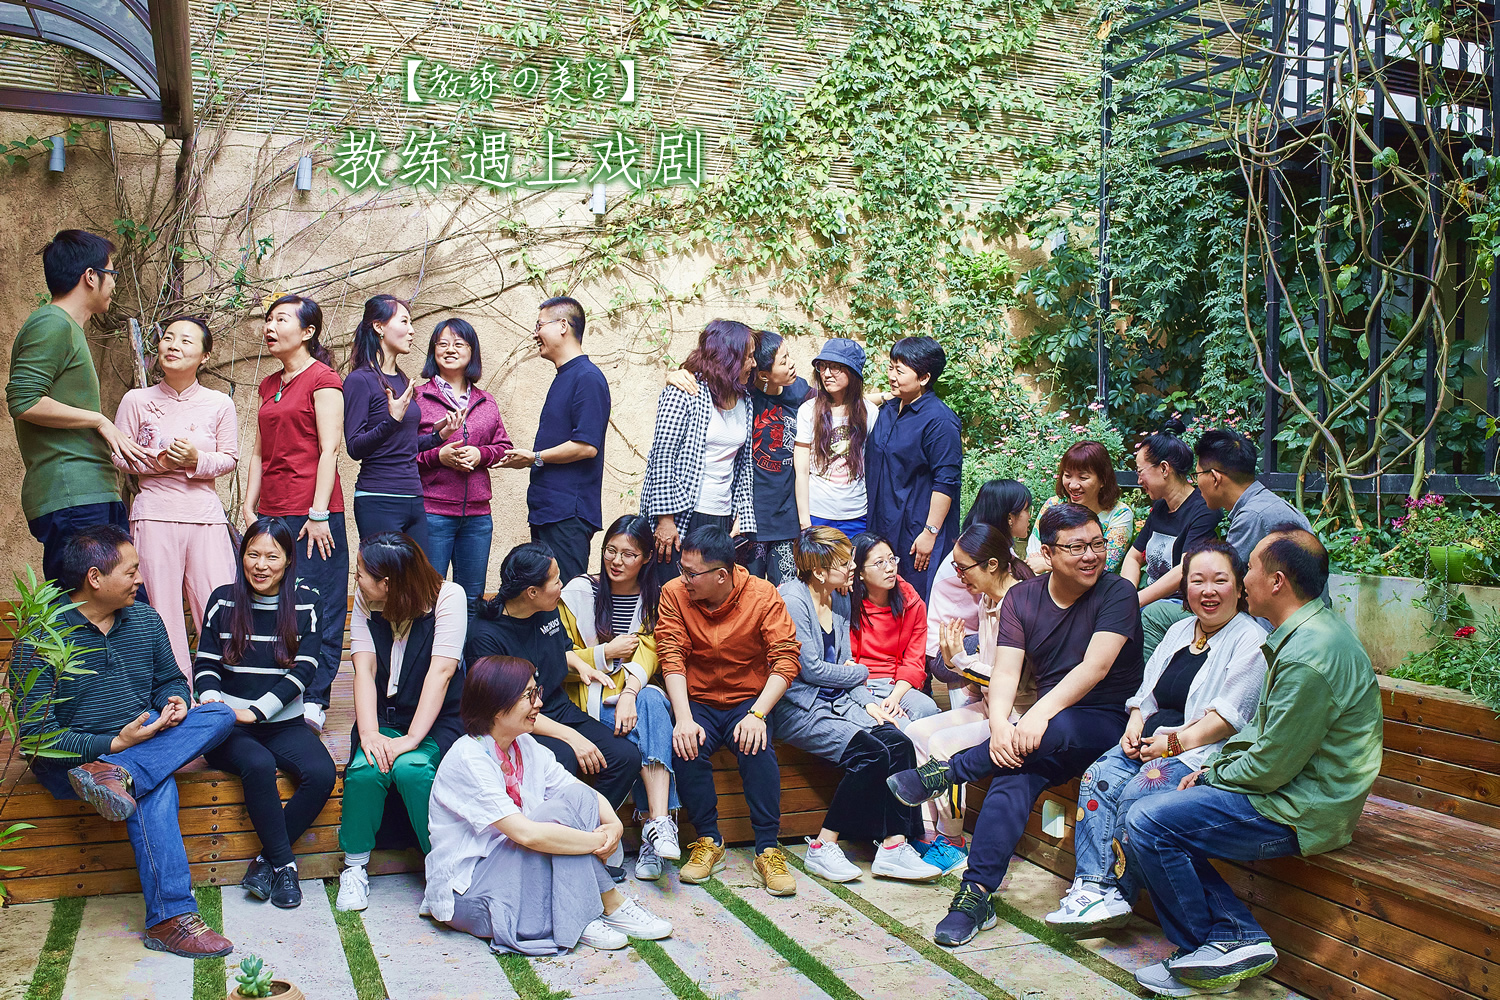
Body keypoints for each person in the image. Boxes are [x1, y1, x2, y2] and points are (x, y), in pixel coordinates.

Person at [1122, 528, 1382, 996]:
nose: (1244, 580)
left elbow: (1270, 766)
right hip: (1288, 791)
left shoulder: (1310, 654)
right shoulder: (1303, 634)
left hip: (1300, 810)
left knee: (1149, 820)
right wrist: (1210, 771)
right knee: (1155, 810)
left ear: (1277, 582)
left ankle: (1219, 942)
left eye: (1252, 569)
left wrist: (1212, 773)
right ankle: (1224, 938)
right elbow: (1264, 737)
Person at [886, 502, 1144, 947]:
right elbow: (1005, 673)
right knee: (1012, 772)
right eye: (1076, 547)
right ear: (1048, 551)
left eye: (1097, 544)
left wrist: (1035, 716)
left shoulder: (1116, 592)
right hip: (1044, 729)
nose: (1091, 555)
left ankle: (948, 771)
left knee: (1049, 731)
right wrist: (1001, 726)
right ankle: (975, 895)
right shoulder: (1023, 598)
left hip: (1105, 721)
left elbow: (1094, 668)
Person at [18, 525, 236, 958]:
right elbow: (37, 739)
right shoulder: (41, 638)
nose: (140, 578)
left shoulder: (146, 620)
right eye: (131, 571)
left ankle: (120, 773)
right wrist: (113, 744)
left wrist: (175, 700)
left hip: (140, 744)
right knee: (156, 784)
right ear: (95, 578)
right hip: (75, 764)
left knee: (220, 715)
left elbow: (170, 679)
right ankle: (171, 918)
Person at [1043, 539, 1268, 936]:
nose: (1208, 591)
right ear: (1185, 587)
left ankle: (1117, 893)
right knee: (1099, 776)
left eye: (1220, 580)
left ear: (1239, 586)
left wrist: (1173, 744)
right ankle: (1091, 887)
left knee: (1137, 793)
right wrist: (1134, 723)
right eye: (1197, 581)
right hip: (1148, 744)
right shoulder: (1179, 630)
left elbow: (1228, 719)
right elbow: (1146, 694)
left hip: (1197, 754)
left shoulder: (1250, 639)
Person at [423, 656, 673, 954]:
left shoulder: (524, 745)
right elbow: (527, 834)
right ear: (497, 706)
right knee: (554, 815)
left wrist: (614, 825)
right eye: (529, 695)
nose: (539, 703)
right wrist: (596, 841)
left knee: (576, 799)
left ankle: (588, 909)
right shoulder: (468, 757)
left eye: (537, 692)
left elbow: (581, 793)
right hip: (471, 893)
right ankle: (606, 905)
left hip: (519, 872)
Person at [774, 527, 943, 883]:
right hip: (800, 708)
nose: (852, 566)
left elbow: (844, 668)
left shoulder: (838, 598)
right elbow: (812, 669)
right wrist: (861, 673)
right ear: (819, 571)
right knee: (872, 753)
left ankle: (895, 846)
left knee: (898, 741)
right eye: (844, 562)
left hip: (837, 700)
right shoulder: (792, 599)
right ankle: (823, 845)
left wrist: (868, 703)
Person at [465, 542, 642, 880]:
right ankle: (556, 854)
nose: (562, 585)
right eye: (556, 580)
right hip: (517, 723)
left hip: (558, 707)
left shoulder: (547, 609)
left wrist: (582, 666)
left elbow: (561, 649)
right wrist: (572, 737)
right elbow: (506, 707)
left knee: (625, 757)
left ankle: (586, 844)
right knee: (565, 758)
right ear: (531, 592)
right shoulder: (486, 635)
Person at [195, 518, 336, 910]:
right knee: (257, 764)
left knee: (322, 773)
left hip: (280, 721)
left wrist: (256, 713)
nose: (261, 565)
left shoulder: (306, 602)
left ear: (288, 560)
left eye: (272, 556)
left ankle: (265, 862)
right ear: (242, 556)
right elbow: (205, 664)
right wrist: (216, 705)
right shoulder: (223, 600)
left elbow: (304, 671)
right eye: (252, 554)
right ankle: (286, 866)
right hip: (228, 726)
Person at [657, 525, 801, 896]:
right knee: (686, 746)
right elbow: (671, 654)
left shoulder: (762, 594)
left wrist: (758, 715)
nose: (683, 578)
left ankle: (767, 848)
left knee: (757, 746)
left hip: (748, 699)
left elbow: (785, 657)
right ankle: (709, 840)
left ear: (721, 575)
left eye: (691, 573)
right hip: (698, 699)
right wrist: (683, 718)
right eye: (682, 569)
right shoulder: (674, 593)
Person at [9, 230, 150, 587]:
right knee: (84, 610)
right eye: (111, 274)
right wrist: (99, 420)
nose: (114, 284)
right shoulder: (52, 323)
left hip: (90, 493)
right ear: (90, 276)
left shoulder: (67, 328)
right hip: (73, 495)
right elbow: (23, 399)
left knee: (121, 604)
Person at [337, 532, 467, 912]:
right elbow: (364, 669)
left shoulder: (448, 597)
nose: (356, 579)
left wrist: (411, 739)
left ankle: (442, 868)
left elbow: (441, 673)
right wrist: (369, 733)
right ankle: (354, 867)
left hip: (436, 717)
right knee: (365, 769)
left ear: (388, 583)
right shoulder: (365, 598)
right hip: (382, 715)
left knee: (413, 769)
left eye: (361, 574)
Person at [240, 293, 347, 733]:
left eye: (280, 319)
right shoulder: (269, 384)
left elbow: (330, 448)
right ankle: (275, 692)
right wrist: (248, 506)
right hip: (271, 514)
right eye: (268, 319)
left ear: (308, 331)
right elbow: (259, 452)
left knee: (320, 602)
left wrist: (318, 513)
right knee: (273, 601)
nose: (270, 327)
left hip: (313, 514)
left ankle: (315, 697)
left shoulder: (324, 378)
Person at [112, 315, 238, 680]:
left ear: (205, 356)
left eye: (185, 340)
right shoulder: (137, 399)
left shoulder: (219, 403)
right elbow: (119, 456)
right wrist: (161, 461)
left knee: (220, 604)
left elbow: (230, 458)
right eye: (168, 338)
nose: (173, 345)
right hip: (154, 515)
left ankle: (226, 686)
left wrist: (196, 460)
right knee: (161, 611)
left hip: (205, 516)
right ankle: (176, 690)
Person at [557, 515, 681, 879]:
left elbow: (652, 649)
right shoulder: (579, 593)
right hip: (587, 698)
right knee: (652, 726)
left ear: (646, 558)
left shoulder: (655, 597)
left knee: (651, 702)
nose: (617, 561)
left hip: (633, 695)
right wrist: (604, 653)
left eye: (629, 554)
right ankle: (658, 827)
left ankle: (655, 827)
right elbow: (558, 658)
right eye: (610, 550)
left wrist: (629, 692)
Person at [906, 520, 1036, 869]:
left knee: (942, 745)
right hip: (989, 705)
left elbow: (1011, 681)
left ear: (992, 565)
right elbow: (986, 672)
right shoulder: (987, 600)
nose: (959, 576)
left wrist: (961, 662)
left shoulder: (1020, 602)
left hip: (1019, 713)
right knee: (916, 731)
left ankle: (952, 839)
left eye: (963, 568)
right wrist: (961, 666)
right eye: (955, 567)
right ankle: (928, 832)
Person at [498, 297, 611, 585]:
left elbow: (587, 446)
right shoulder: (564, 376)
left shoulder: (587, 377)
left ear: (563, 326)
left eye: (539, 325)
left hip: (567, 514)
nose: (535, 334)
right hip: (547, 511)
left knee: (566, 597)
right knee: (545, 599)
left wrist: (535, 457)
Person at [640, 320, 759, 582]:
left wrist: (742, 516)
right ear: (729, 358)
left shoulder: (745, 401)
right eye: (748, 357)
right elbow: (662, 458)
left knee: (712, 594)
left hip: (722, 515)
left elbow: (743, 467)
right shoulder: (685, 392)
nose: (753, 364)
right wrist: (665, 519)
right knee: (674, 589)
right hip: (683, 512)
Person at [416, 317, 512, 603]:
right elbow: (403, 453)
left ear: (472, 351)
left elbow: (504, 447)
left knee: (472, 599)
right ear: (433, 351)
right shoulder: (418, 398)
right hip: (432, 512)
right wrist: (438, 456)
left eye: (459, 344)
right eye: (442, 343)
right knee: (429, 596)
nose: (450, 349)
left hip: (478, 517)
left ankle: (469, 638)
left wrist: (481, 454)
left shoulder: (486, 401)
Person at [344, 294, 449, 554]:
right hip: (378, 499)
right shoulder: (360, 380)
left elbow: (402, 444)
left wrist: (438, 436)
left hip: (413, 497)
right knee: (382, 577)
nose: (412, 331)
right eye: (404, 322)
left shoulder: (402, 380)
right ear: (379, 327)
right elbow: (354, 447)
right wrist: (391, 421)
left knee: (419, 577)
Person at [865, 336, 962, 600]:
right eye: (890, 367)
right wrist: (886, 395)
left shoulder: (940, 421)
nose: (891, 376)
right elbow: (856, 402)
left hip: (916, 531)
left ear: (924, 378)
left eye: (900, 371)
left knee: (913, 600)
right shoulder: (889, 409)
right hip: (882, 523)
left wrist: (930, 533)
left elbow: (946, 482)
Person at [1120, 421, 1223, 660]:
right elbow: (1134, 556)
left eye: (1140, 472)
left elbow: (1185, 569)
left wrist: (1133, 602)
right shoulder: (1160, 507)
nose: (1138, 480)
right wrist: (1125, 594)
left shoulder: (1203, 510)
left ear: (1164, 468)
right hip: (1148, 600)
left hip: (1182, 605)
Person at [848, 533, 940, 724]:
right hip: (856, 684)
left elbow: (914, 660)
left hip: (895, 683)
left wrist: (895, 697)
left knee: (927, 709)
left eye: (892, 559)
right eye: (879, 563)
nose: (890, 568)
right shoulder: (845, 601)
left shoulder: (912, 603)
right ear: (859, 572)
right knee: (900, 725)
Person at [795, 338, 880, 538]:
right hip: (818, 513)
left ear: (853, 371)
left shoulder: (870, 412)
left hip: (857, 513)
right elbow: (801, 471)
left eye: (835, 367)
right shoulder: (808, 410)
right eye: (822, 366)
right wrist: (805, 521)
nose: (826, 374)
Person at [1193, 428, 1312, 563]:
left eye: (1197, 475)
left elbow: (1226, 573)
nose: (1196, 483)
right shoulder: (1264, 505)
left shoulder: (1252, 516)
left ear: (1215, 478)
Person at [1026, 441, 1135, 574]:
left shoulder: (1119, 514)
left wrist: (1049, 564)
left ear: (1103, 480)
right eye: (1067, 475)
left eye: (1083, 477)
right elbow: (1034, 557)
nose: (1073, 485)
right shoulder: (1053, 504)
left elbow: (1104, 565)